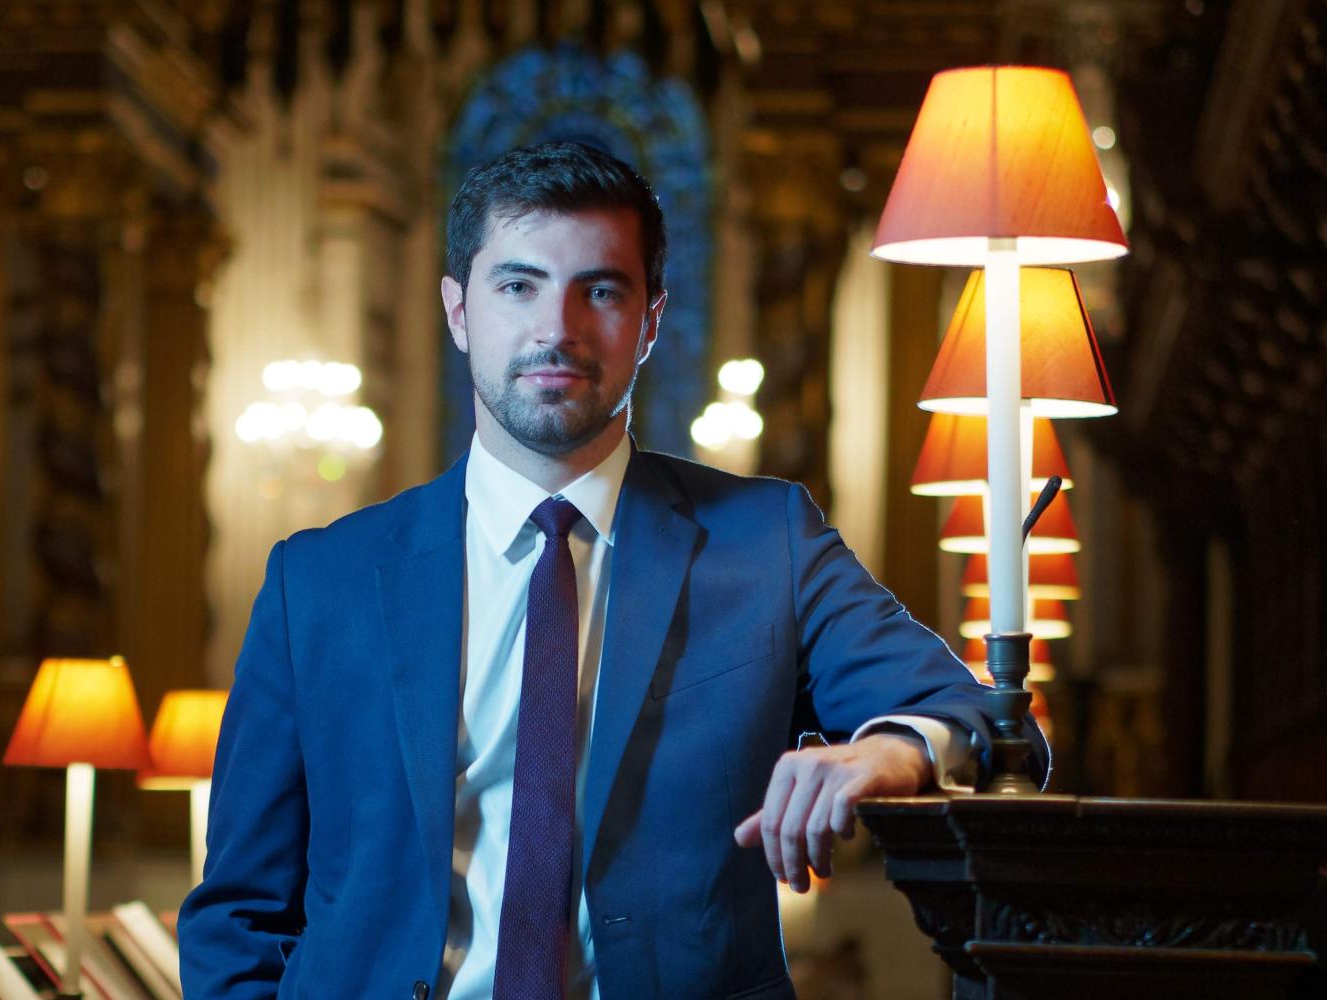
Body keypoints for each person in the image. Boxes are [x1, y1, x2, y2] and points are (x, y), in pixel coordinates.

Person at [178, 141, 1049, 1000]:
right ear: (457, 311)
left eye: (600, 289)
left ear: (651, 320)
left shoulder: (767, 541)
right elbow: (239, 914)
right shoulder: (318, 582)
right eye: (517, 286)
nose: (556, 329)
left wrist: (888, 750)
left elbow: (978, 717)